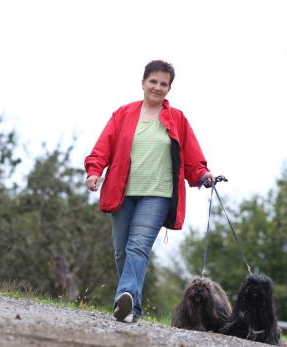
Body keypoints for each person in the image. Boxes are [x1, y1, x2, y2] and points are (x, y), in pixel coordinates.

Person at [84, 60, 215, 323]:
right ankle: (132, 307)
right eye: (153, 81)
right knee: (121, 251)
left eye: (163, 84)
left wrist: (202, 174)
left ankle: (124, 296)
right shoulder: (123, 114)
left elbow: (191, 156)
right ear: (143, 82)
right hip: (122, 192)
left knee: (138, 247)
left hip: (158, 194)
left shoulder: (177, 119)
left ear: (169, 88)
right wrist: (94, 171)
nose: (157, 87)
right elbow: (103, 147)